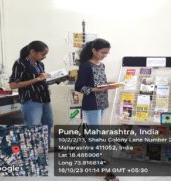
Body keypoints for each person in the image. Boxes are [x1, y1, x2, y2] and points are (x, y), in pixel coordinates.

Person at [75, 38, 118, 180]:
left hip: (102, 103)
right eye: (102, 52)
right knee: (95, 136)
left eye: (107, 53)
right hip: (92, 104)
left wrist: (110, 85)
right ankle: (98, 169)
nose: (104, 55)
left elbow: (100, 83)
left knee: (95, 135)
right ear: (94, 50)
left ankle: (92, 159)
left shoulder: (101, 65)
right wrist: (96, 90)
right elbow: (79, 87)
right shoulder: (86, 66)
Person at [9, 40, 54, 151]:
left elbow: (40, 81)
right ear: (33, 52)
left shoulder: (40, 64)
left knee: (48, 123)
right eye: (43, 54)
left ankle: (45, 147)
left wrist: (53, 79)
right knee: (33, 126)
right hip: (31, 100)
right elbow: (13, 85)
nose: (45, 57)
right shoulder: (20, 63)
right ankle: (31, 151)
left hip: (44, 99)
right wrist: (37, 79)